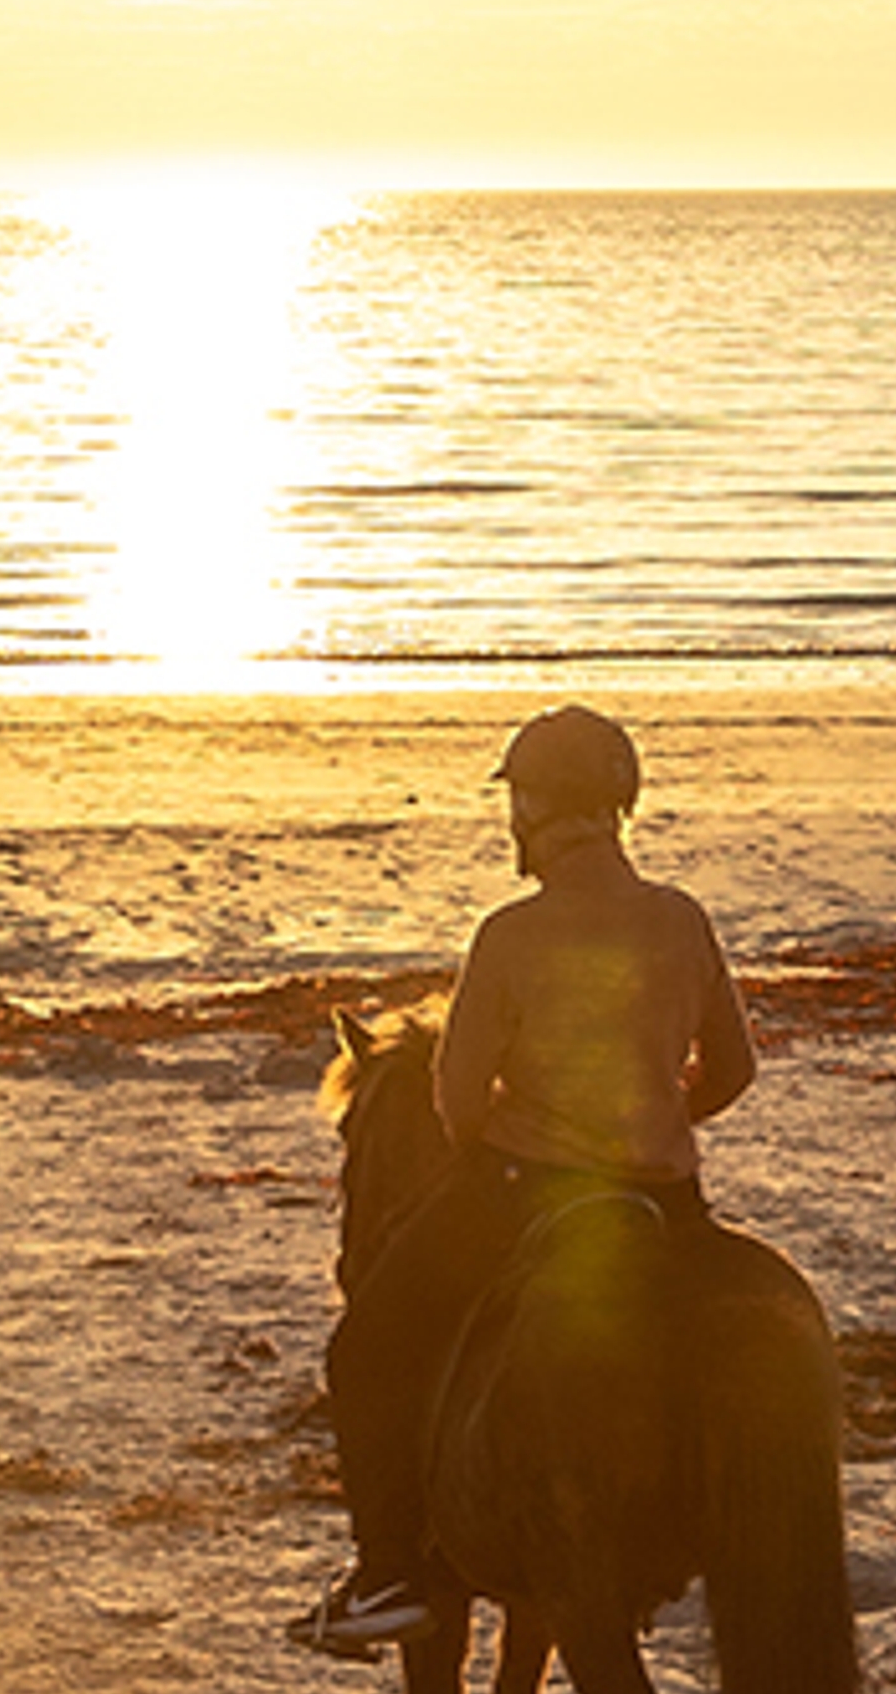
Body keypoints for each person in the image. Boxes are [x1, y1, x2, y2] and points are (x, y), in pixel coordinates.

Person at [308, 702, 757, 1646]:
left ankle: (392, 1573)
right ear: (617, 808)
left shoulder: (508, 936)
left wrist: (518, 1135)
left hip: (525, 1192)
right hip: (667, 1201)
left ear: (535, 810)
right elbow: (734, 1071)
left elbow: (458, 1101)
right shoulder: (684, 919)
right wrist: (662, 1117)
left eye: (519, 800)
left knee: (365, 1350)